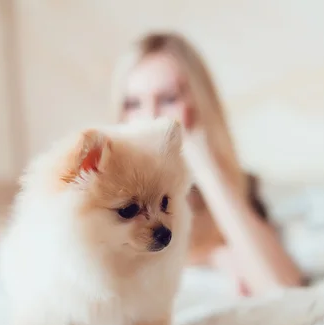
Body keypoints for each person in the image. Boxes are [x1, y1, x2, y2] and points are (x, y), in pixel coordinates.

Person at [111, 32, 304, 295]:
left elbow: (284, 287)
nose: (149, 117)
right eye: (133, 103)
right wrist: (213, 256)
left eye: (168, 99)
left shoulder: (238, 188)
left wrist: (206, 168)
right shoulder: (106, 199)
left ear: (199, 105)